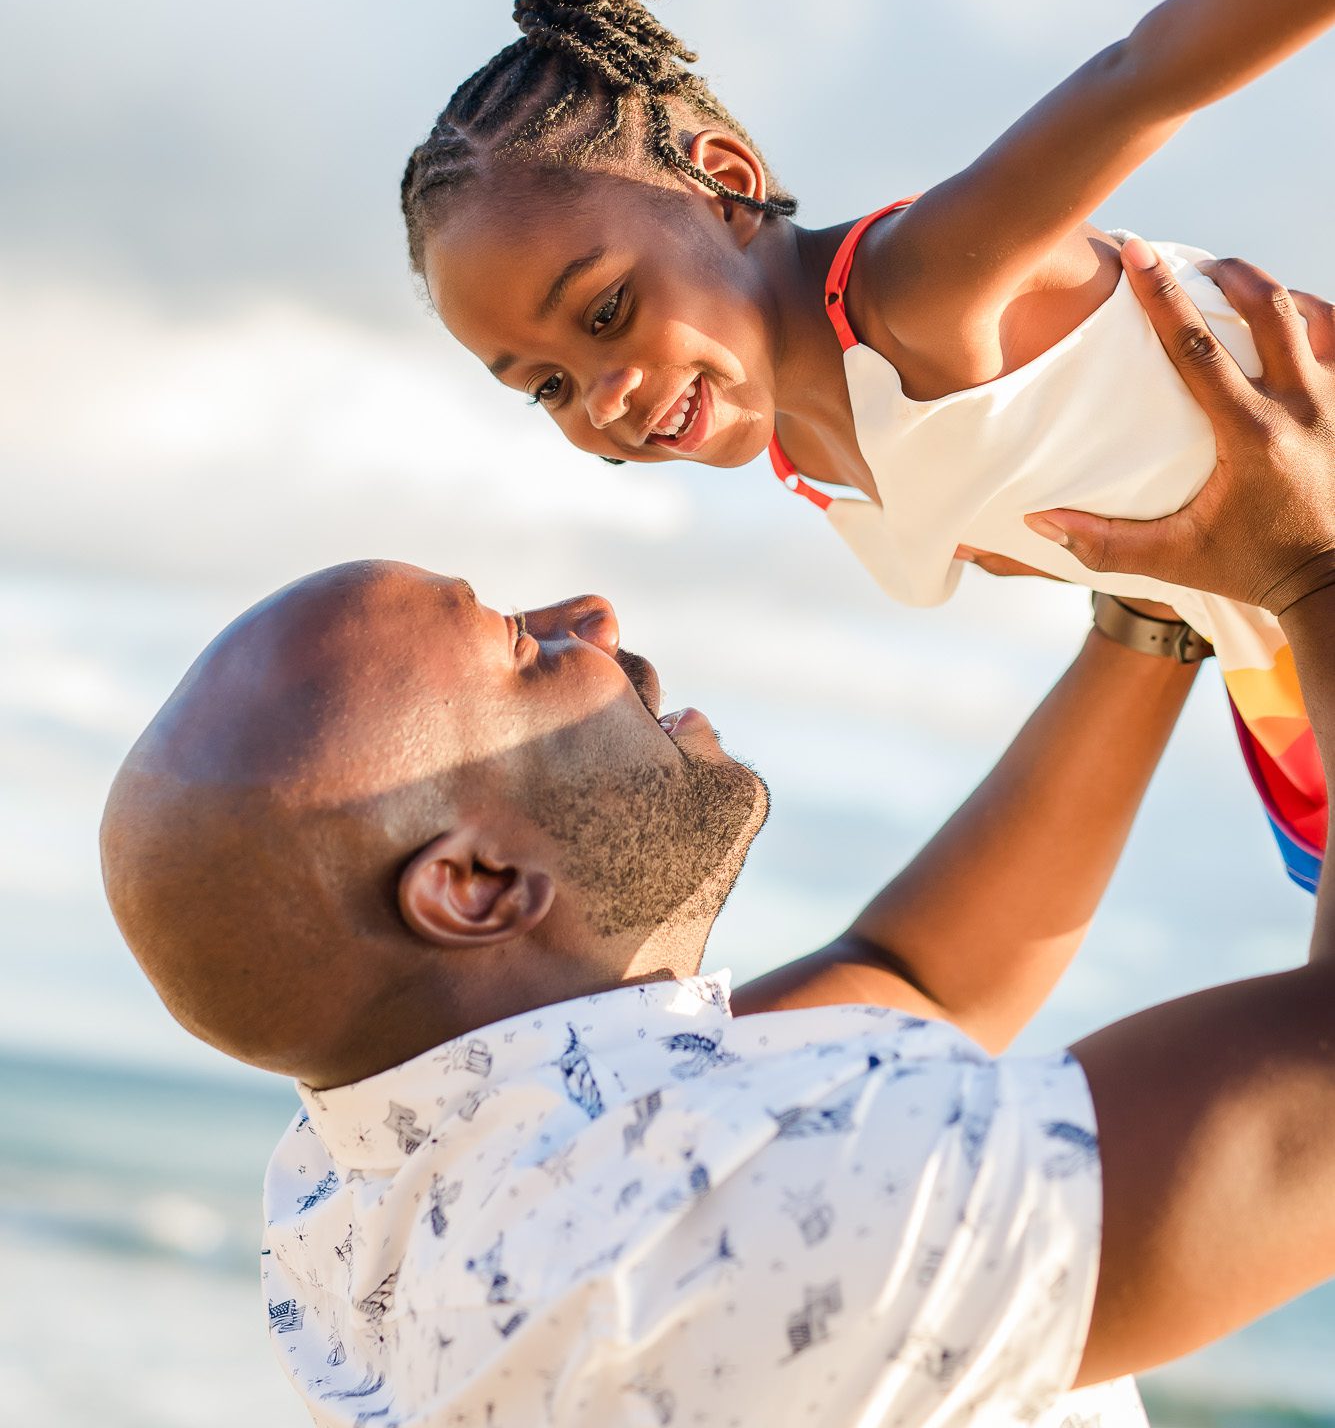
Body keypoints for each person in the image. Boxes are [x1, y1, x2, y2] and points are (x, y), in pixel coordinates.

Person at [102, 246, 1335, 1427]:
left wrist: (1157, 600)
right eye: (529, 651)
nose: (591, 610)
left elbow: (918, 983)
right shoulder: (685, 1240)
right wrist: (1313, 565)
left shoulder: (371, 1177)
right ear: (473, 884)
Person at [400, 0, 1335, 891]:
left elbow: (1141, 74)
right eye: (546, 383)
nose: (604, 394)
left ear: (725, 184)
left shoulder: (916, 289)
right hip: (1287, 642)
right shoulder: (807, 450)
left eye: (607, 309)